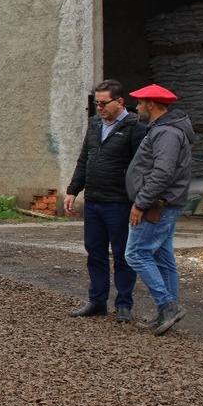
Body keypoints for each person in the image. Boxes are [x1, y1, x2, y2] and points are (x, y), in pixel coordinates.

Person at [64, 80, 147, 322]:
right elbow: (84, 159)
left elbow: (141, 166)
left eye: (103, 103)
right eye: (96, 103)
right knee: (95, 252)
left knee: (122, 255)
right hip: (94, 200)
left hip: (119, 202)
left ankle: (123, 305)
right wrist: (73, 190)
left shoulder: (134, 127)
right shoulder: (94, 125)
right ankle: (97, 301)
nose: (99, 108)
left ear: (120, 102)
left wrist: (139, 201)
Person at [124, 83, 194, 336]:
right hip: (163, 204)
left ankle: (168, 306)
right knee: (163, 257)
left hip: (156, 206)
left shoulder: (166, 133)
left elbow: (162, 173)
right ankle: (167, 312)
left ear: (151, 105)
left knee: (136, 254)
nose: (138, 108)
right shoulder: (166, 129)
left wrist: (141, 203)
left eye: (141, 103)